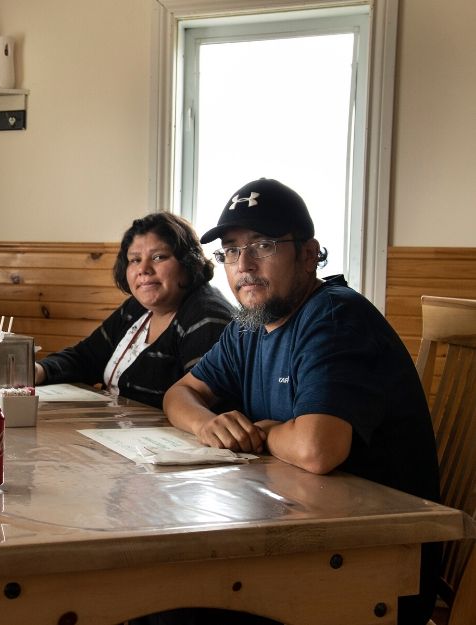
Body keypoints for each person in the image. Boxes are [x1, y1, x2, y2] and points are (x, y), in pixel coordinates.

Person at [163, 178, 440, 625]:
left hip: (379, 568)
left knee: (171, 603)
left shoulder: (334, 317)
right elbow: (180, 393)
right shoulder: (250, 324)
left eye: (264, 245)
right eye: (231, 250)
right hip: (306, 541)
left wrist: (268, 431)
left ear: (308, 255)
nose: (244, 265)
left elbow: (317, 448)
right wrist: (205, 425)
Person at [34, 212, 235, 407]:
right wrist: (39, 370)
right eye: (135, 260)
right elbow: (86, 357)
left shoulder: (207, 318)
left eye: (158, 257)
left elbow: (202, 404)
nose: (143, 269)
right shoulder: (136, 308)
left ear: (188, 262)